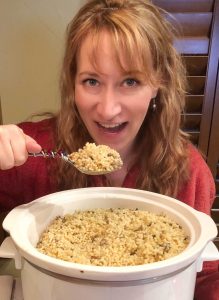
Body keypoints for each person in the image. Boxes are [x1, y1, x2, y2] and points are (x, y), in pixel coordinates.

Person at [0, 0, 218, 298]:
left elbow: (205, 280)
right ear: (72, 84)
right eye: (91, 81)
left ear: (158, 83)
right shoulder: (34, 153)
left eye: (130, 81)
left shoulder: (189, 173)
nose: (108, 109)